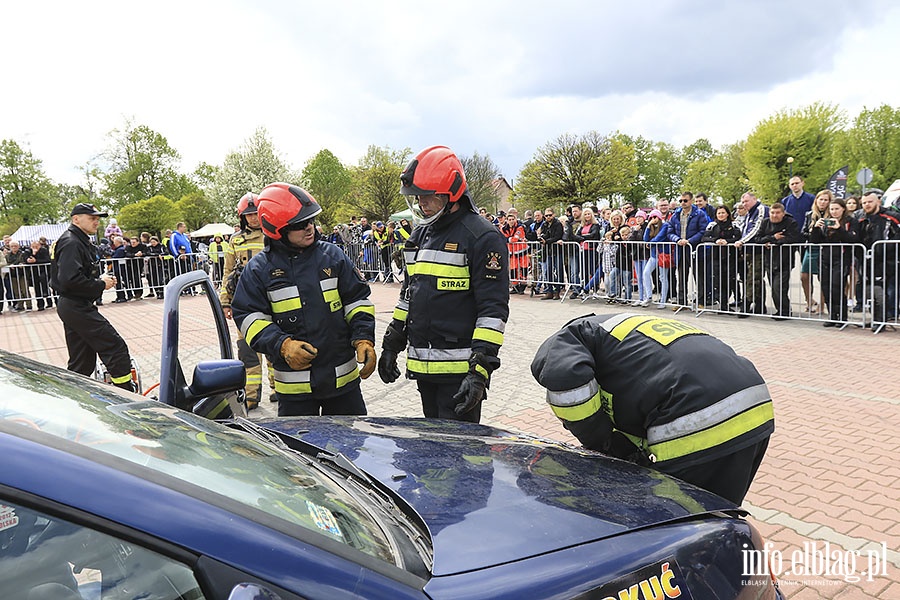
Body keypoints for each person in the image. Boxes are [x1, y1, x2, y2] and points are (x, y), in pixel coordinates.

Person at [531, 313, 774, 505]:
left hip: (696, 411)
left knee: (679, 517)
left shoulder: (565, 342)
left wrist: (600, 441)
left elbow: (567, 388)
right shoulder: (620, 336)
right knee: (721, 508)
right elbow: (638, 397)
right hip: (755, 403)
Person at [378, 145, 509, 423]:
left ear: (451, 195)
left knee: (463, 457)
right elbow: (408, 295)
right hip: (424, 368)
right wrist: (392, 343)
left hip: (461, 373)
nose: (422, 204)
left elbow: (492, 312)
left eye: (428, 198)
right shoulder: (420, 234)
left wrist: (479, 372)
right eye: (418, 198)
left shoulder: (482, 237)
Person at [232, 183, 376, 416]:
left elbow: (357, 300)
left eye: (310, 220)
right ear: (276, 229)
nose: (309, 228)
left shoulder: (333, 257)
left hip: (343, 386)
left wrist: (364, 339)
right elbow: (248, 317)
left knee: (353, 450)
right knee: (297, 452)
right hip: (295, 393)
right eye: (299, 224)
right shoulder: (259, 270)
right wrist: (282, 345)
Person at [49, 203, 136, 391]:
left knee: (82, 362)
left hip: (74, 305)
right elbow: (69, 280)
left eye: (97, 218)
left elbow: (74, 277)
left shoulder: (78, 240)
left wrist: (99, 281)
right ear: (76, 219)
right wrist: (101, 284)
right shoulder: (72, 242)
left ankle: (72, 396)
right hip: (75, 305)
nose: (96, 221)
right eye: (91, 218)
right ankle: (125, 394)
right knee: (114, 346)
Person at [220, 193, 268, 410]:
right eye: (249, 215)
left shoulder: (272, 236)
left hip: (271, 299)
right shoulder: (235, 240)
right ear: (242, 217)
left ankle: (279, 390)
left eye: (256, 214)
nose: (253, 219)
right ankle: (251, 396)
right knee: (248, 350)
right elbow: (228, 271)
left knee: (275, 348)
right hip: (244, 301)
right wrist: (225, 301)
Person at [810, 197, 859, 327]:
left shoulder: (850, 221)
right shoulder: (827, 222)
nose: (834, 212)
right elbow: (815, 241)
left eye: (837, 209)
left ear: (843, 209)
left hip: (841, 258)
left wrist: (839, 228)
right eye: (831, 209)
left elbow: (853, 239)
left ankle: (842, 317)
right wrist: (816, 228)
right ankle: (832, 316)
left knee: (836, 287)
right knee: (825, 287)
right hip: (825, 258)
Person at [858, 191, 900, 324]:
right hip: (869, 261)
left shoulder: (892, 217)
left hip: (890, 260)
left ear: (878, 201)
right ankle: (877, 318)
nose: (867, 205)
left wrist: (887, 249)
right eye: (864, 203)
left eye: (870, 202)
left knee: (887, 290)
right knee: (871, 291)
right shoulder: (861, 219)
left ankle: (886, 318)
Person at [756, 202, 801, 319]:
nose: (774, 215)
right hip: (769, 260)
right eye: (772, 212)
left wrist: (775, 242)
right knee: (773, 287)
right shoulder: (765, 222)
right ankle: (780, 309)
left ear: (783, 213)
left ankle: (784, 311)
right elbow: (757, 238)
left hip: (784, 260)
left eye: (777, 213)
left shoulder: (791, 223)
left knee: (779, 287)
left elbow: (794, 238)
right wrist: (772, 238)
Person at [666, 192, 710, 306]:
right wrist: (677, 240)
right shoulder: (675, 215)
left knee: (699, 276)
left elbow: (703, 231)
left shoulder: (699, 214)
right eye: (680, 201)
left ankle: (701, 301)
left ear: (691, 201)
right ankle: (682, 302)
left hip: (695, 249)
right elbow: (670, 231)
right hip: (680, 249)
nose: (682, 203)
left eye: (685, 201)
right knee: (681, 276)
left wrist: (690, 240)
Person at [734, 192, 770, 317]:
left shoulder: (761, 210)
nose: (744, 204)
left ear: (754, 199)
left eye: (746, 201)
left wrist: (742, 241)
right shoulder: (749, 213)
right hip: (749, 250)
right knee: (754, 278)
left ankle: (746, 304)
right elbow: (745, 229)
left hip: (759, 250)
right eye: (742, 202)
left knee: (753, 278)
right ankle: (760, 305)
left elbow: (756, 228)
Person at [701, 204, 741, 312]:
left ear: (727, 213)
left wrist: (727, 242)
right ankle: (722, 305)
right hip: (716, 257)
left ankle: (726, 303)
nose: (721, 215)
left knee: (729, 281)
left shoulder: (734, 224)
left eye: (723, 212)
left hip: (730, 257)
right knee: (718, 281)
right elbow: (704, 237)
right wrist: (715, 240)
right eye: (719, 213)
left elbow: (739, 237)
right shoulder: (712, 225)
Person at [501, 212, 529, 295]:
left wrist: (509, 239)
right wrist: (509, 239)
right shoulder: (504, 228)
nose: (511, 221)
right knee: (513, 269)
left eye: (513, 219)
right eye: (509, 220)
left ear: (515, 219)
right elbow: (502, 237)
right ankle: (515, 286)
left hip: (522, 251)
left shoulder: (520, 227)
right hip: (511, 252)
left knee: (524, 268)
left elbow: (516, 238)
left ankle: (522, 286)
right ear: (507, 220)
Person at [23, 240, 52, 311]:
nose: (35, 248)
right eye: (33, 246)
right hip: (33, 272)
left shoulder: (44, 250)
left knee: (45, 285)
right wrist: (33, 254)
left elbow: (47, 259)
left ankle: (49, 302)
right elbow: (26, 260)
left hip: (43, 270)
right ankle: (40, 305)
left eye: (36, 246)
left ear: (40, 246)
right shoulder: (28, 251)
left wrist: (36, 261)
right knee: (37, 288)